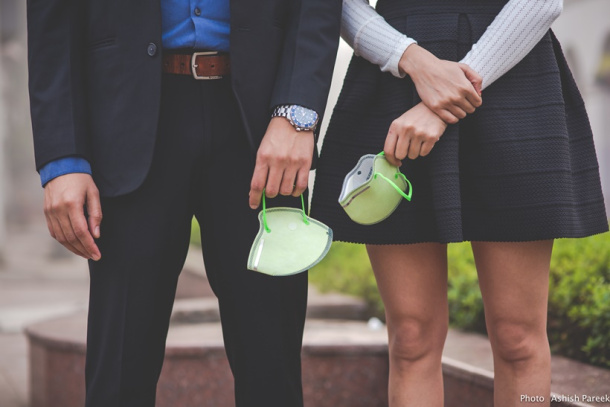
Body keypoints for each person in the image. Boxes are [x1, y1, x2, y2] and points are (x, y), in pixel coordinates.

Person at [27, 0, 341, 405]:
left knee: (272, 367)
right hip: (126, 120)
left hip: (264, 127)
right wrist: (62, 156)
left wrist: (298, 113)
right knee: (120, 369)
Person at [311, 0, 609, 406]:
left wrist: (452, 90)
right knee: (411, 338)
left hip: (511, 67)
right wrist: (410, 59)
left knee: (517, 338)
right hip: (394, 73)